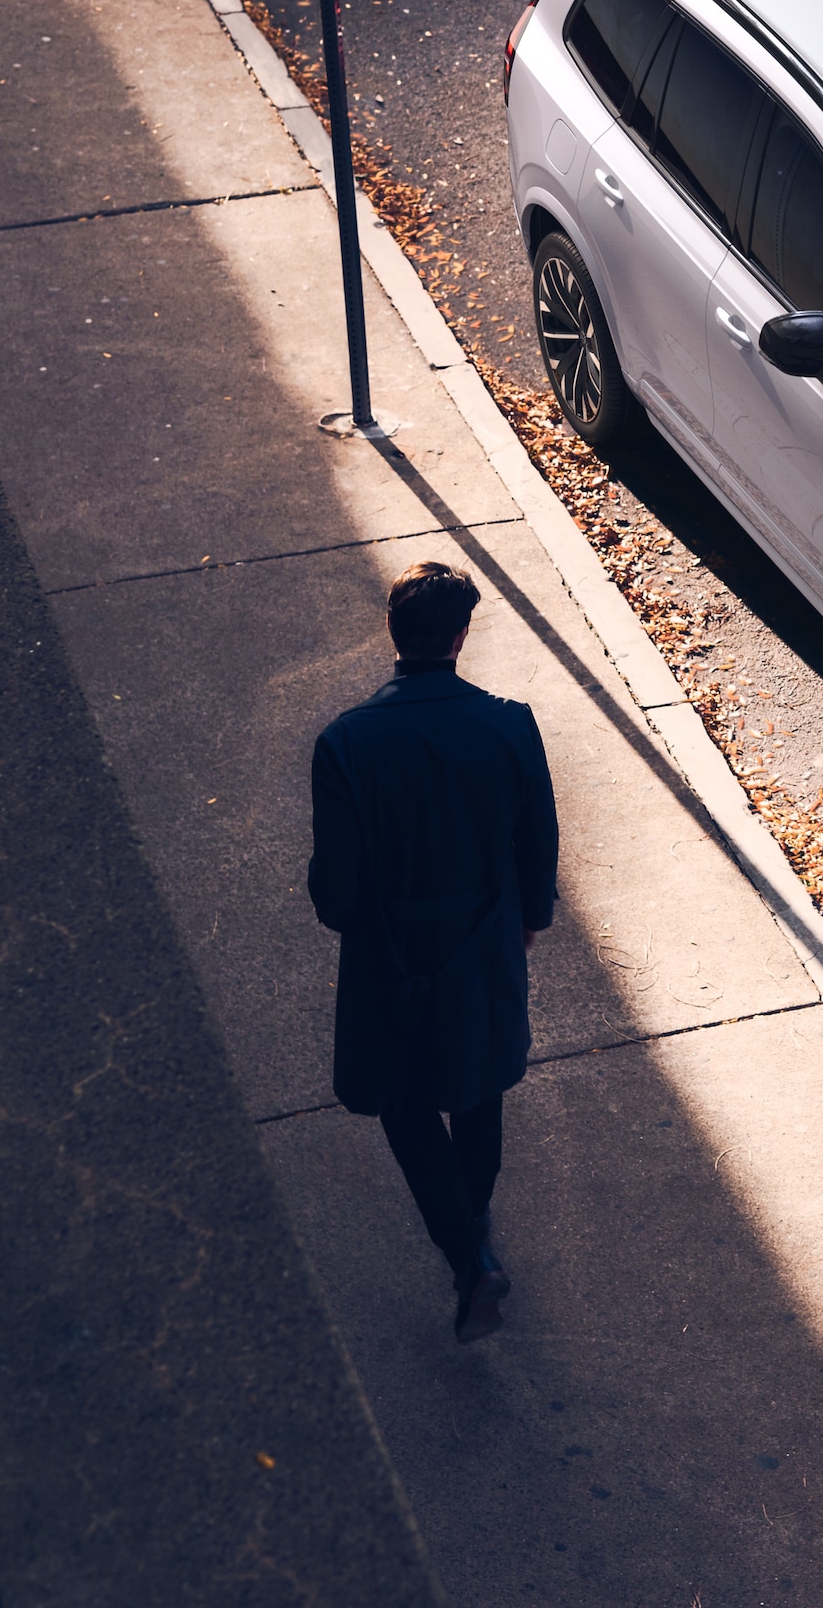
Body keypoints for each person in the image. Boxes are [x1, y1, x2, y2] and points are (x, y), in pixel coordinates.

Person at [306, 560, 559, 1342]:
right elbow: (537, 842)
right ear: (461, 636)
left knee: (403, 1097)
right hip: (481, 946)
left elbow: (335, 893)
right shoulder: (510, 724)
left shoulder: (346, 742)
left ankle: (467, 1248)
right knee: (478, 1089)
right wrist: (528, 920)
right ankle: (472, 1224)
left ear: (394, 632)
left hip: (392, 954)